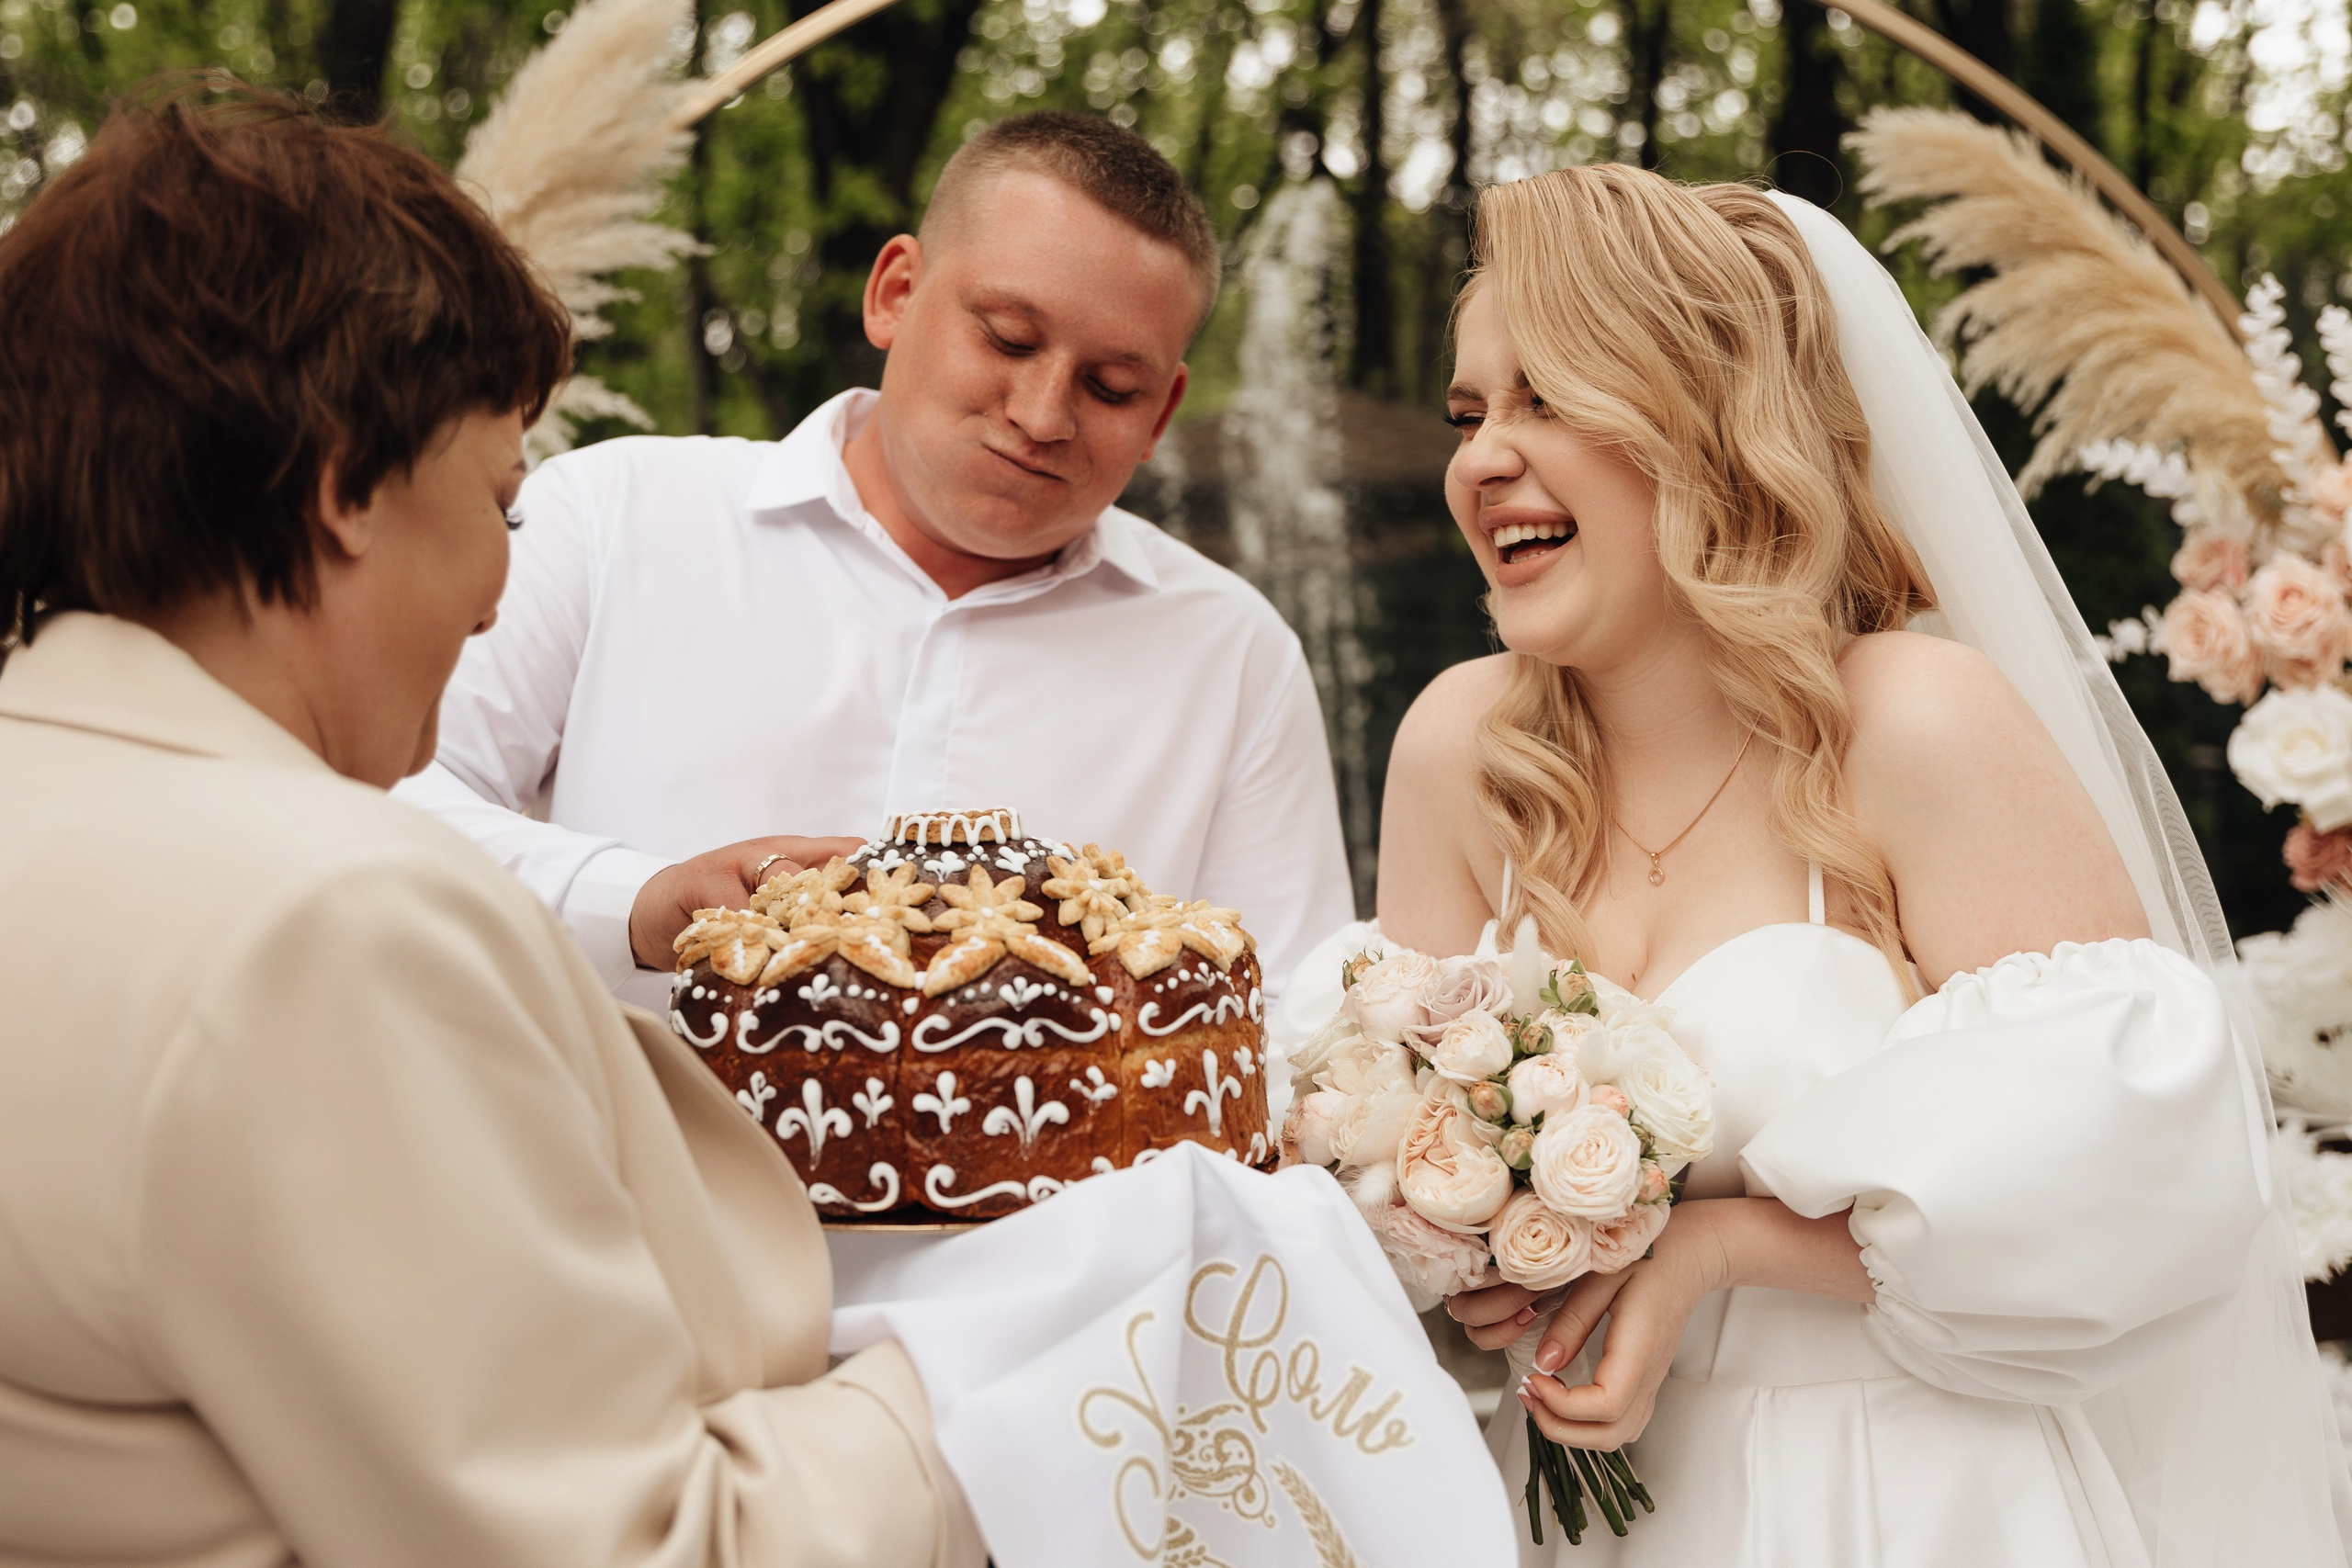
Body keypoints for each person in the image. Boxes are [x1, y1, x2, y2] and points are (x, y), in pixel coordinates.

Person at [0, 85, 978, 1566]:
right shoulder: (327, 922)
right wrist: (1004, 1362)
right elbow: (645, 1544)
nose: (499, 588)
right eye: (500, 504)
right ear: (344, 491)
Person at [1361, 166, 2349, 1563]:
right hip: (1572, 1508)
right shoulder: (1458, 748)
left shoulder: (1913, 720)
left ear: (1702, 422)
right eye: (1471, 413)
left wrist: (1722, 1247)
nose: (1479, 459)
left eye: (1549, 399)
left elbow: (2141, 1178)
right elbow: (1386, 1170)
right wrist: (1473, 1275)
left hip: (1904, 1496)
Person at [394, 110, 1351, 1012]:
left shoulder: (1232, 655)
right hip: (613, 1174)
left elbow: (1284, 1011)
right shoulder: (611, 516)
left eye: (1110, 387)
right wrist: (637, 902)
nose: (1042, 413)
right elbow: (390, 809)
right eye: (1008, 338)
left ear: (1164, 414)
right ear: (895, 293)